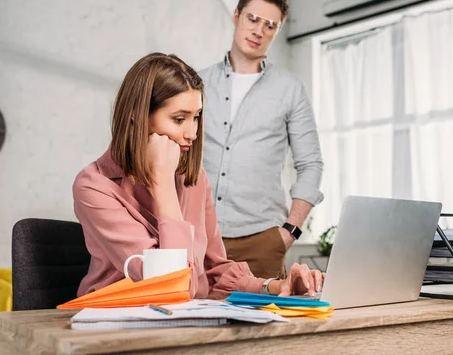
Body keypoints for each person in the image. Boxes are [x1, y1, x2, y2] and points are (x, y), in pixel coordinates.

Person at [73, 52, 323, 299]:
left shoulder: (194, 179)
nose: (192, 132)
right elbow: (169, 286)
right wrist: (162, 184)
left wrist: (277, 287)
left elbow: (215, 272)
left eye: (196, 117)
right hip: (115, 324)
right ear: (137, 116)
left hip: (179, 324)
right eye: (179, 119)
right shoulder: (94, 186)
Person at [199, 0, 324, 279]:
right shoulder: (197, 83)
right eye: (252, 19)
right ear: (237, 16)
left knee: (264, 323)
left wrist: (289, 230)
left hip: (262, 242)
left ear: (277, 32)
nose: (259, 31)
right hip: (198, 238)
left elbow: (311, 164)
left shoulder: (290, 89)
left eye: (270, 26)